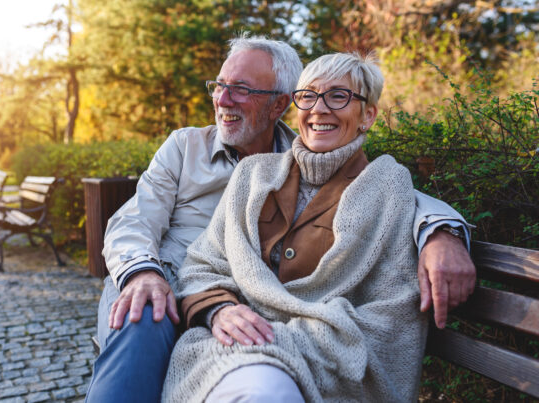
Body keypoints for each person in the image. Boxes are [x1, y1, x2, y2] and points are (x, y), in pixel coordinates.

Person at [85, 36, 474, 402]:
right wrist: (143, 274)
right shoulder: (188, 147)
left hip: (240, 314)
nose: (223, 99)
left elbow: (388, 191)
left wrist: (443, 233)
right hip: (164, 283)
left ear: (279, 105)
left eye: (241, 89)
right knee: (141, 316)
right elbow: (133, 222)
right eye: (219, 85)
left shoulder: (303, 154)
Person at [163, 51, 428, 402]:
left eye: (339, 96)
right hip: (226, 350)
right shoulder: (252, 174)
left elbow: (393, 312)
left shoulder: (388, 186)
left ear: (368, 115)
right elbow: (203, 264)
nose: (319, 108)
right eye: (308, 96)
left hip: (324, 361)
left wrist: (278, 339)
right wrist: (220, 309)